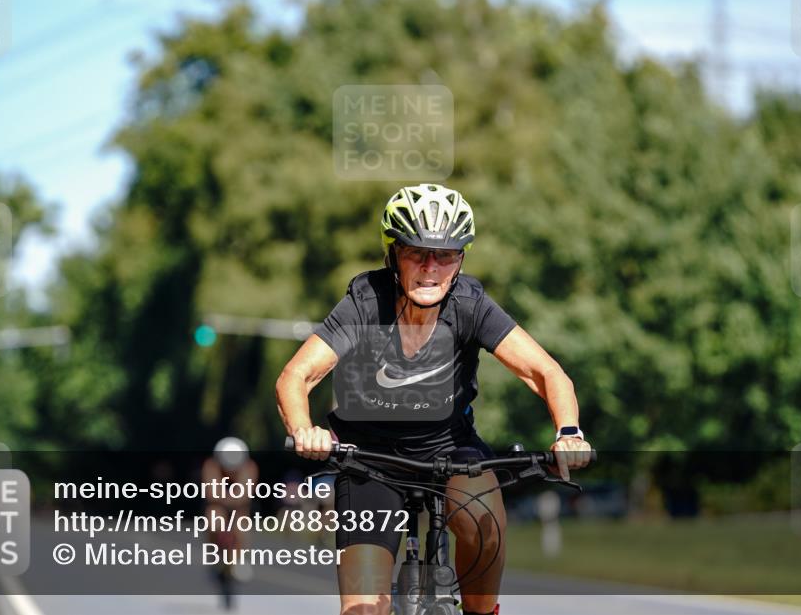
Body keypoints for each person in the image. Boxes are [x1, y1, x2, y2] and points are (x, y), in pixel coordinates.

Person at [276, 184, 593, 615]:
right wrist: (303, 429)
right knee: (363, 609)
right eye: (416, 253)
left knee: (485, 526)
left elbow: (545, 372)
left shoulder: (470, 304)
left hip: (452, 449)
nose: (431, 267)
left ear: (461, 259)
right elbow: (296, 375)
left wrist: (569, 432)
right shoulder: (366, 302)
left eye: (446, 254)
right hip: (368, 459)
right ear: (393, 254)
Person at [202, 436, 259, 582]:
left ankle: (239, 558)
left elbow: (244, 494)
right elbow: (212, 493)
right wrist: (227, 499)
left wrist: (232, 500)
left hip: (238, 506)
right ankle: (213, 555)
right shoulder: (211, 466)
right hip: (218, 504)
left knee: (242, 524)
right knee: (214, 520)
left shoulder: (249, 467)